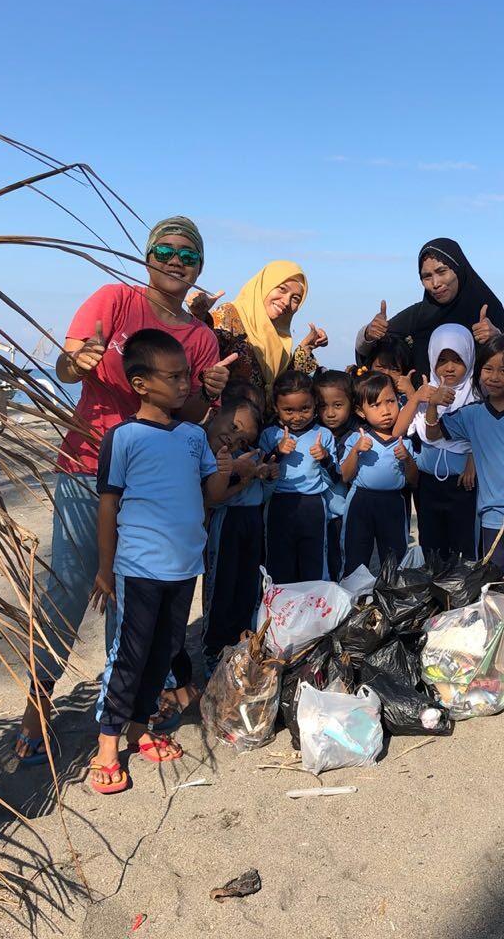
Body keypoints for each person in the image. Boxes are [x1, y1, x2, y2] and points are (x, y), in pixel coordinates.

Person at [14, 216, 233, 764]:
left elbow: (190, 415)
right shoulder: (114, 300)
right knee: (68, 589)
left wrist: (208, 394)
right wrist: (75, 360)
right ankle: (35, 709)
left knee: (132, 604)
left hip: (153, 488)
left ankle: (125, 720)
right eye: (166, 250)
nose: (176, 261)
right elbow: (67, 365)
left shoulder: (201, 338)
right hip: (88, 467)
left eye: (188, 254)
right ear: (147, 256)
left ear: (200, 267)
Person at [85, 330, 233, 794]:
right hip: (139, 567)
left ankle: (139, 726)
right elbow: (108, 505)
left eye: (187, 375)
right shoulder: (123, 437)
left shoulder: (193, 435)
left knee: (165, 650)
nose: (185, 384)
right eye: (174, 377)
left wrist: (226, 469)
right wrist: (105, 568)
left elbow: (209, 495)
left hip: (185, 566)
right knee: (130, 654)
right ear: (141, 383)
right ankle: (107, 743)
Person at [425, 335, 504, 594]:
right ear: (478, 371)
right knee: (493, 587)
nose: (494, 377)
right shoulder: (472, 414)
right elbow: (433, 433)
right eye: (488, 369)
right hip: (494, 516)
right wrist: (432, 404)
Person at [356, 238, 504, 376]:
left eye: (442, 271)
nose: (435, 283)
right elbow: (370, 356)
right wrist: (369, 334)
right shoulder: (418, 316)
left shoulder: (487, 310)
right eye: (427, 276)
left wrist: (497, 339)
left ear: (458, 270)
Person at [201, 390, 274, 674]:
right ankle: (213, 651)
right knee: (221, 587)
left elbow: (263, 494)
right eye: (233, 427)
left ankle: (243, 646)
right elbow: (214, 499)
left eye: (243, 439)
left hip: (252, 522)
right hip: (226, 523)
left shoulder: (249, 456)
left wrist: (267, 476)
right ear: (216, 413)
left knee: (248, 586)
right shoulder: (209, 454)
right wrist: (239, 473)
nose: (234, 439)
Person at [400, 324, 480, 561]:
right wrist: (423, 399)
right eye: (442, 359)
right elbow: (407, 429)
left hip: (463, 484)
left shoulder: (477, 395)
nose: (449, 367)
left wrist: (473, 459)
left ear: (469, 357)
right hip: (427, 484)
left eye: (458, 359)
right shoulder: (425, 393)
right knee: (431, 546)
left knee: (464, 546)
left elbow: (483, 435)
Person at [196, 260, 326, 405]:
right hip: (228, 416)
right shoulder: (228, 315)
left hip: (263, 419)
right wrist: (199, 317)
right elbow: (201, 354)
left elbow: (284, 386)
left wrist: (307, 347)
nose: (286, 301)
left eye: (295, 298)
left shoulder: (280, 338)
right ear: (265, 285)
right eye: (282, 289)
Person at [259, 370, 337, 583]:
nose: (297, 416)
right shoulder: (269, 435)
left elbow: (334, 478)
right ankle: (281, 604)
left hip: (313, 505)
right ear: (276, 407)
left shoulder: (323, 435)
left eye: (305, 408)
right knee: (279, 565)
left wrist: (325, 458)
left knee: (314, 564)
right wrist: (277, 452)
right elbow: (260, 472)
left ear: (315, 404)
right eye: (288, 410)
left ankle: (314, 603)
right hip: (278, 505)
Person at [339, 371, 419, 576]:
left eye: (390, 401)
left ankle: (391, 594)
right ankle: (353, 594)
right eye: (375, 405)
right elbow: (345, 476)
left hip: (393, 503)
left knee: (395, 559)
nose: (385, 411)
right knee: (355, 557)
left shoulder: (405, 441)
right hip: (361, 502)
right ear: (361, 411)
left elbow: (413, 479)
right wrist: (355, 451)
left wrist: (407, 459)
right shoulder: (356, 439)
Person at [314, 370, 357, 582]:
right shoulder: (312, 433)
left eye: (338, 405)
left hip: (341, 513)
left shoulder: (356, 436)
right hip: (315, 512)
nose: (330, 413)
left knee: (339, 561)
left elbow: (345, 476)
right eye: (323, 406)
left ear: (352, 404)